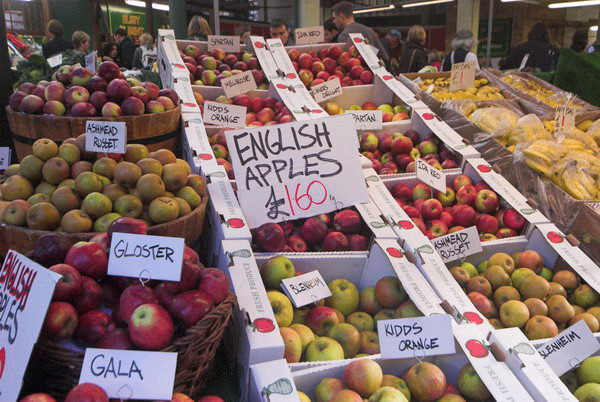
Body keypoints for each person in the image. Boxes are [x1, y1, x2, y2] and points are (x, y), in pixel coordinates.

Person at [331, 1, 389, 66]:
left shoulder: (344, 35)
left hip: (357, 74)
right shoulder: (369, 30)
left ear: (341, 17)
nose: (334, 22)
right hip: (373, 73)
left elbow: (346, 64)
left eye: (334, 18)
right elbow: (385, 57)